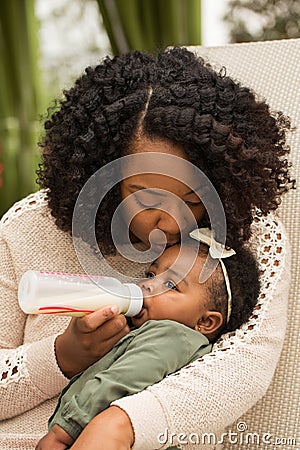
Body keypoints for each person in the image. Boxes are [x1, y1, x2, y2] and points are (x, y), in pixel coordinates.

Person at [0, 47, 294, 450]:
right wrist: (62, 357)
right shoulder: (27, 228)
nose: (172, 224)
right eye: (146, 199)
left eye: (193, 201)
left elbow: (241, 370)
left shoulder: (249, 242)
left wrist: (117, 426)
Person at [36, 236, 260, 450]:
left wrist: (66, 429)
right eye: (151, 273)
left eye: (171, 285)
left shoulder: (173, 338)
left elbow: (121, 379)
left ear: (205, 322)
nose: (148, 285)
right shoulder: (156, 334)